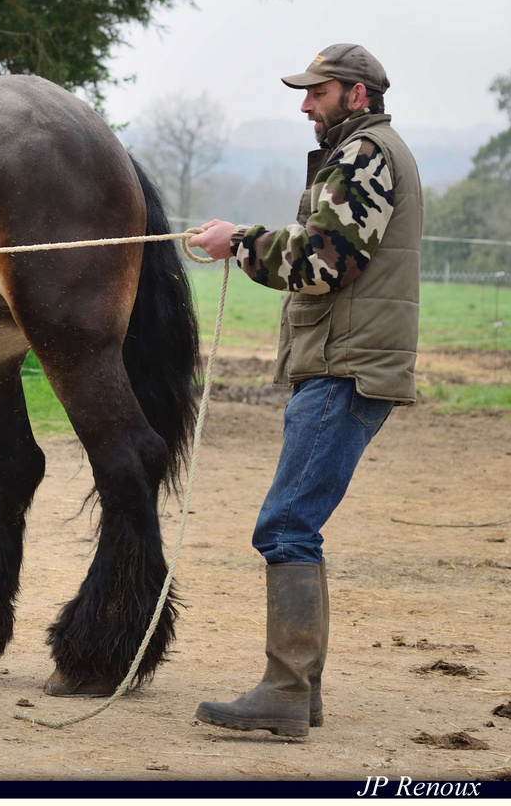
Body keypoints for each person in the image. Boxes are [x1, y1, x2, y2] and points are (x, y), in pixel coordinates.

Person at [186, 43, 422, 738]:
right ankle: (299, 692)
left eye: (316, 92)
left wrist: (239, 241)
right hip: (344, 360)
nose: (302, 104)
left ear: (355, 94)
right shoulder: (366, 151)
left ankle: (285, 691)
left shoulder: (365, 154)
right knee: (294, 522)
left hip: (343, 366)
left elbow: (324, 261)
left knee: (286, 524)